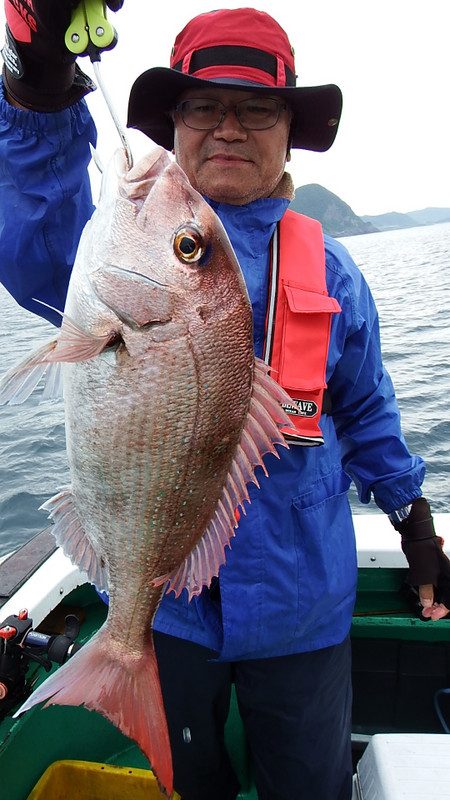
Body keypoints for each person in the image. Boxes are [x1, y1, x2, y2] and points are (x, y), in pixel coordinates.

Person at [0, 4, 449, 799]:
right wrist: (40, 89)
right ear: (174, 124)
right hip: (166, 609)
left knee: (309, 784)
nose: (229, 128)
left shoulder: (335, 274)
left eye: (258, 109)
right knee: (192, 783)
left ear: (287, 132)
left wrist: (415, 525)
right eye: (203, 106)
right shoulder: (112, 251)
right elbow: (31, 239)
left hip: (303, 606)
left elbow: (371, 413)